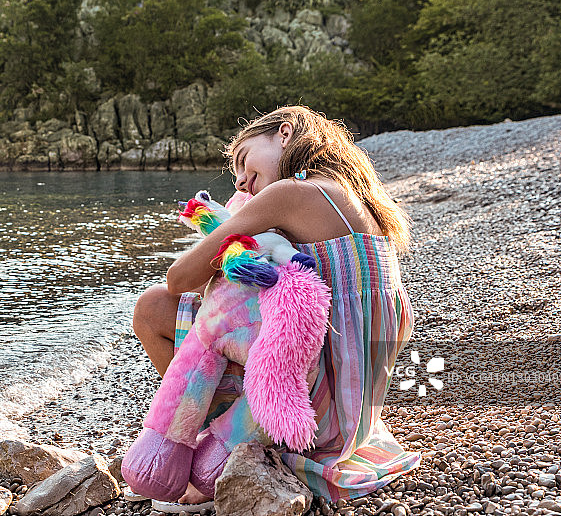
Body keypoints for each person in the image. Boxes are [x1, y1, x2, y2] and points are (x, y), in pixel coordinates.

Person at [132, 106, 420, 506]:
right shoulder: (357, 199)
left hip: (300, 402)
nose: (238, 178)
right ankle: (218, 436)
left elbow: (180, 278)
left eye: (243, 158)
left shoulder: (290, 193)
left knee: (151, 308)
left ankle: (206, 438)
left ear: (284, 134)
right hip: (350, 404)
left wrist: (234, 234)